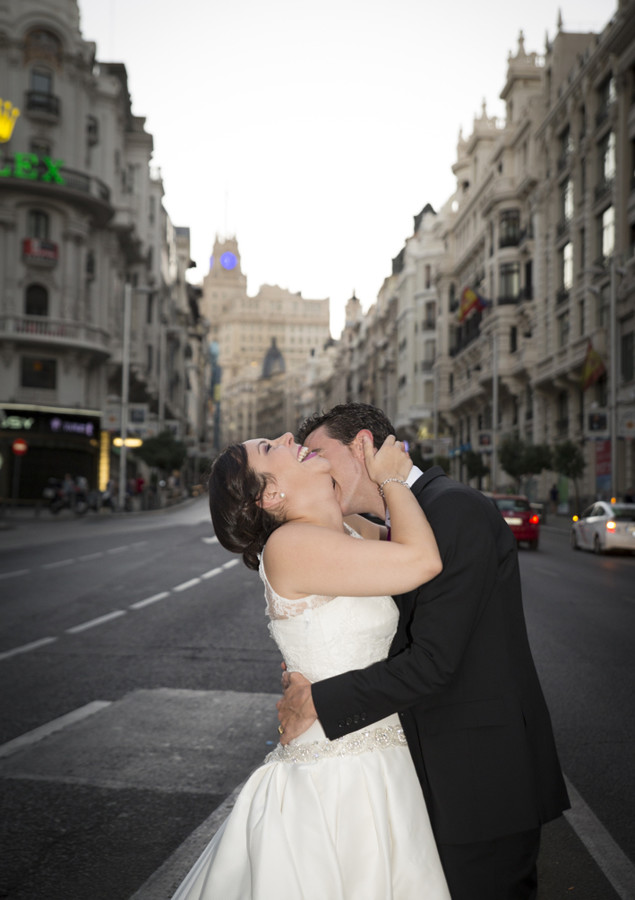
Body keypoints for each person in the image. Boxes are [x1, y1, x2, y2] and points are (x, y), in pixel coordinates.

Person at [278, 402, 570, 900]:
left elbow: (434, 661)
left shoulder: (452, 508)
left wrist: (318, 702)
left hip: (479, 778)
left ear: (364, 445)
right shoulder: (408, 518)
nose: (317, 468)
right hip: (431, 772)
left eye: (320, 454)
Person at [171, 432, 450, 900]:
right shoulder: (290, 545)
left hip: (380, 748)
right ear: (271, 495)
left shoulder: (348, 530)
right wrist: (392, 481)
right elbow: (421, 559)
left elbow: (408, 540)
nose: (287, 436)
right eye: (269, 447)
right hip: (337, 770)